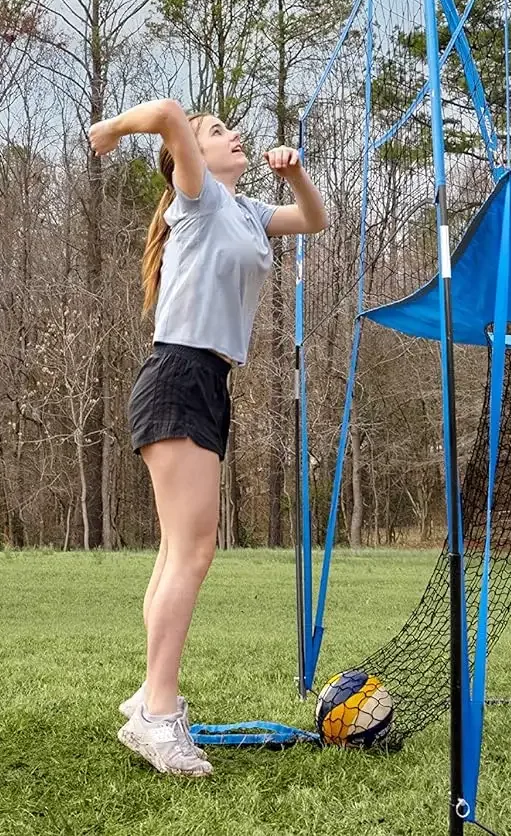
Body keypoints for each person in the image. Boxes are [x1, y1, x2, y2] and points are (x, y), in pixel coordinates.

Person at [87, 99, 327, 777]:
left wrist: (296, 174)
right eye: (217, 133)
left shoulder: (247, 211)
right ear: (186, 159)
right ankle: (161, 714)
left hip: (208, 380)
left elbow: (315, 219)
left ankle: (147, 701)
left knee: (178, 552)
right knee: (194, 552)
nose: (234, 136)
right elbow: (165, 112)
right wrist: (110, 131)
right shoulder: (193, 197)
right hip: (178, 373)